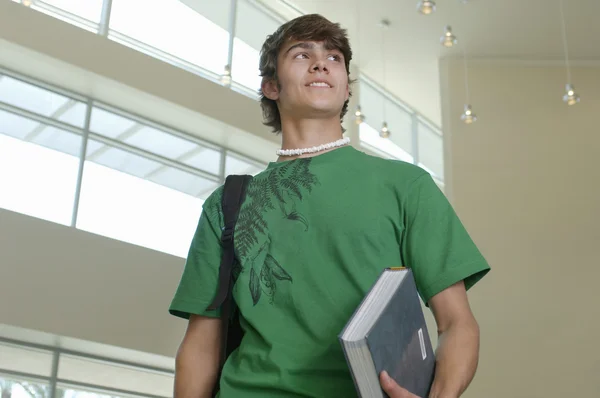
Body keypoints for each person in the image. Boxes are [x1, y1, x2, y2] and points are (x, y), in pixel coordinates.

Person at [169, 13, 490, 398]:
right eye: (302, 54)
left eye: (334, 57)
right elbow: (201, 345)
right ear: (271, 86)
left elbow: (457, 324)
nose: (322, 63)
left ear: (346, 89)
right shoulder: (227, 204)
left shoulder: (406, 185)